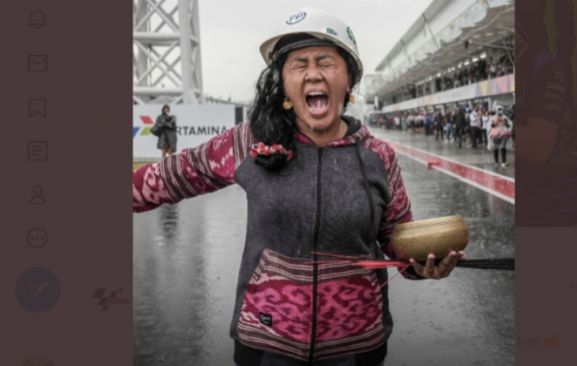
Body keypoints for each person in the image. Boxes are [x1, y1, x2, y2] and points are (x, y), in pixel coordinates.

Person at [132, 8, 464, 366]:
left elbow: (398, 242)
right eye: (298, 65)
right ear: (282, 84)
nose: (313, 73)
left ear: (348, 80)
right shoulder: (249, 141)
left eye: (326, 62)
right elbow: (170, 176)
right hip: (266, 344)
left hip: (357, 346)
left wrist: (421, 266)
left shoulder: (378, 156)